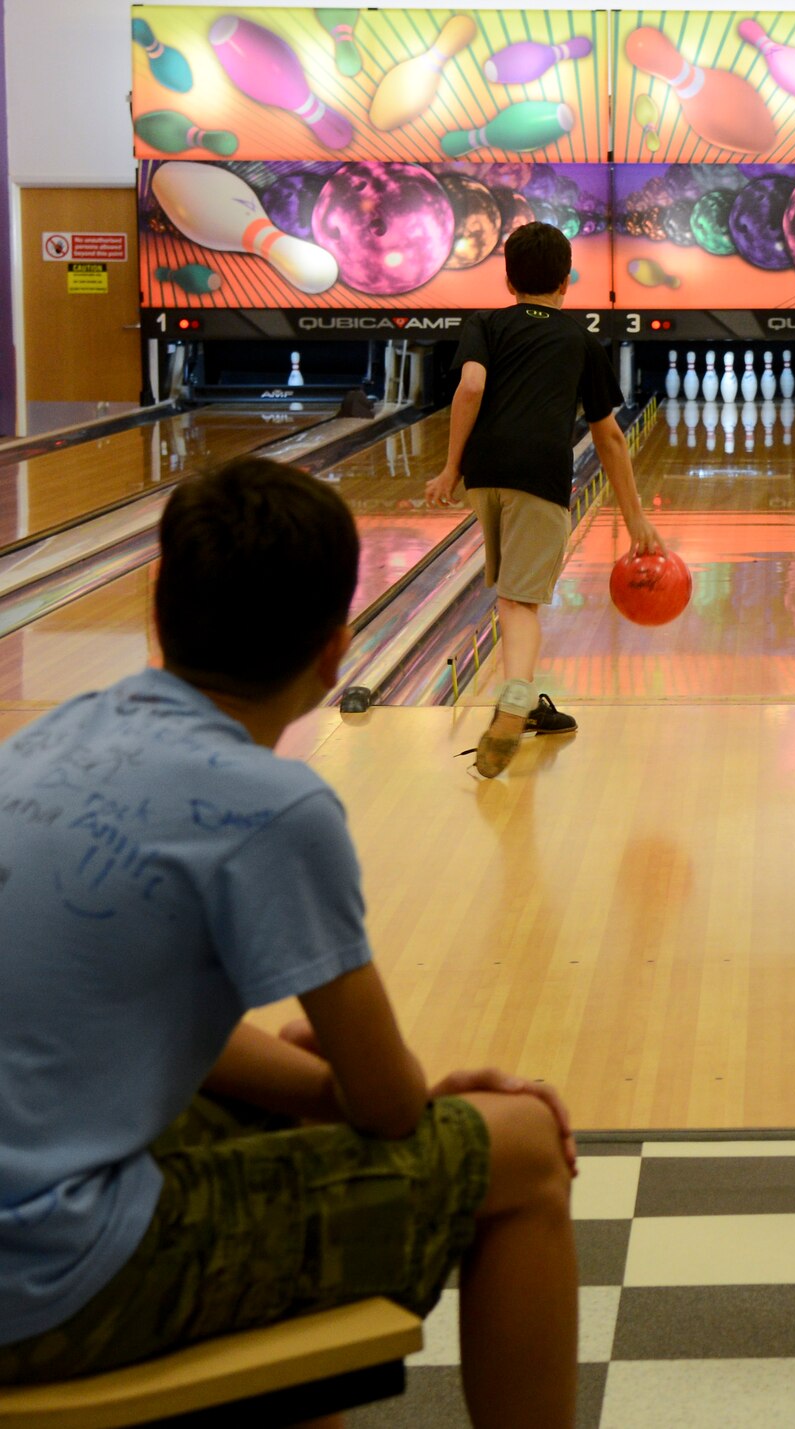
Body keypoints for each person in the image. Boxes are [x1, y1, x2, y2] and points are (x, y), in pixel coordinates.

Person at [0, 459, 582, 1429]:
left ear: (157, 608)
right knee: (521, 1149)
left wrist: (324, 1090)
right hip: (52, 1292)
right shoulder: (277, 809)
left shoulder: (49, 740)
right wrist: (393, 1090)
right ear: (335, 649)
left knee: (298, 1124)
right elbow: (390, 1107)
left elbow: (146, 1023)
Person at [425, 222, 662, 778]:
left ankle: (525, 705)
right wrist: (634, 517)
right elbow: (609, 436)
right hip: (540, 474)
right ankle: (517, 698)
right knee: (520, 602)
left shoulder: (483, 323)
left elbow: (472, 387)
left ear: (508, 279)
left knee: (509, 596)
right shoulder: (579, 339)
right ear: (566, 282)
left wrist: (450, 468)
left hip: (484, 472)